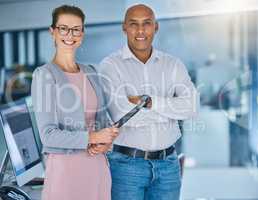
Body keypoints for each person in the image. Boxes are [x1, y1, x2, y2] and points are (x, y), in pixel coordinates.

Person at [96, 4, 199, 200]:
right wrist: (172, 110)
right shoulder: (110, 66)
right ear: (124, 27)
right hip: (126, 167)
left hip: (168, 166)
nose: (141, 30)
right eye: (134, 24)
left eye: (147, 24)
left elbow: (192, 108)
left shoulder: (173, 64)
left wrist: (150, 103)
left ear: (156, 27)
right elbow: (123, 116)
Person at [31, 5, 118, 200]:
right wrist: (93, 137)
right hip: (66, 174)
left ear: (82, 33)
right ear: (52, 32)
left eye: (76, 29)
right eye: (63, 28)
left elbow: (103, 122)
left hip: (98, 170)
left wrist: (106, 143)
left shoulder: (91, 72)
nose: (70, 35)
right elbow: (48, 136)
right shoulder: (44, 75)